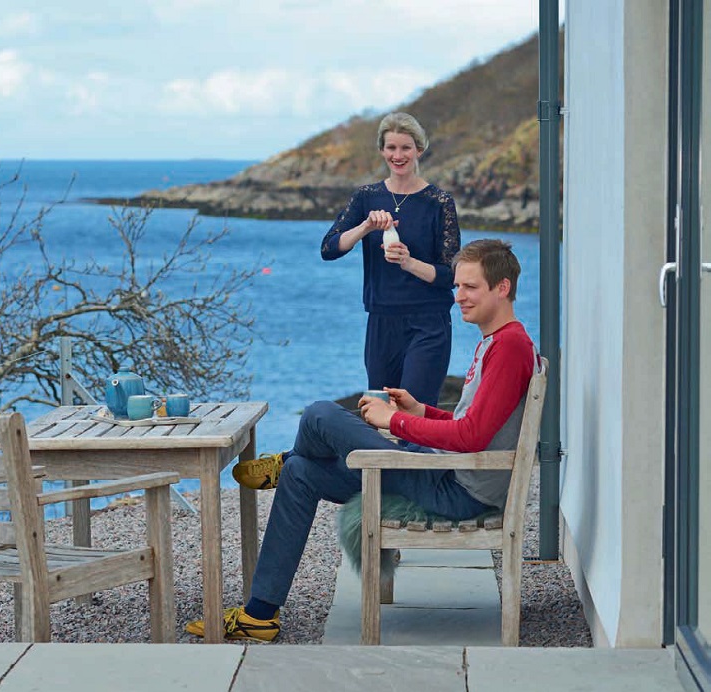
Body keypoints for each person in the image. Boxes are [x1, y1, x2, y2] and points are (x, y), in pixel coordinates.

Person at [186, 239, 539, 641]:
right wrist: (420, 412)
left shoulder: (509, 346)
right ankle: (260, 614)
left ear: (502, 287)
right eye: (457, 286)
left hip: (457, 489)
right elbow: (471, 423)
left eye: (470, 287)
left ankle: (284, 461)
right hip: (448, 472)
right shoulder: (500, 341)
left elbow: (472, 436)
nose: (458, 296)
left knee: (320, 414)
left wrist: (396, 422)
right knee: (302, 473)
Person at [321, 111, 461, 407]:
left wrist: (409, 262)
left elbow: (451, 275)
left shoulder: (439, 203)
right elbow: (329, 248)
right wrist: (365, 228)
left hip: (428, 323)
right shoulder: (366, 198)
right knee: (382, 416)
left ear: (419, 150)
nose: (398, 155)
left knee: (413, 415)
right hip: (381, 321)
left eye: (405, 148)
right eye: (391, 148)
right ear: (382, 150)